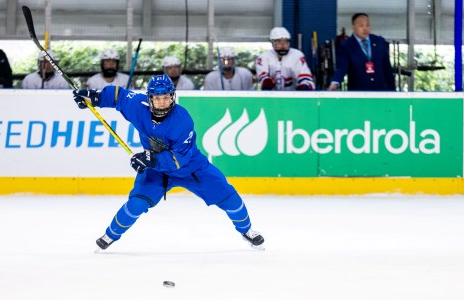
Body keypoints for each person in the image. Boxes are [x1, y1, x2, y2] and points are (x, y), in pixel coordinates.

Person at [72, 74, 265, 250]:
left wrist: (150, 158)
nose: (162, 102)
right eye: (157, 98)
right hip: (157, 170)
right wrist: (94, 97)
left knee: (229, 197)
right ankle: (110, 235)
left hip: (192, 168)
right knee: (136, 204)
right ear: (149, 98)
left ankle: (246, 230)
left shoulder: (182, 120)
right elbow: (119, 96)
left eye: (166, 97)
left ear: (172, 97)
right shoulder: (138, 107)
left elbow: (180, 157)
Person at [328, 13, 396, 91]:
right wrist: (335, 83)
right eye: (361, 26)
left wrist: (393, 91)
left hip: (381, 92)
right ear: (353, 27)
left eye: (367, 25)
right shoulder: (346, 45)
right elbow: (341, 67)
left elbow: (387, 68)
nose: (365, 29)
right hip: (358, 93)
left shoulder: (379, 41)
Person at [255, 27, 315, 91]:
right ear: (272, 43)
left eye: (286, 41)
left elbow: (305, 77)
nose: (283, 45)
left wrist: (305, 85)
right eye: (279, 42)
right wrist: (266, 82)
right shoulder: (264, 57)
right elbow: (263, 78)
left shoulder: (297, 55)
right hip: (271, 96)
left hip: (293, 96)